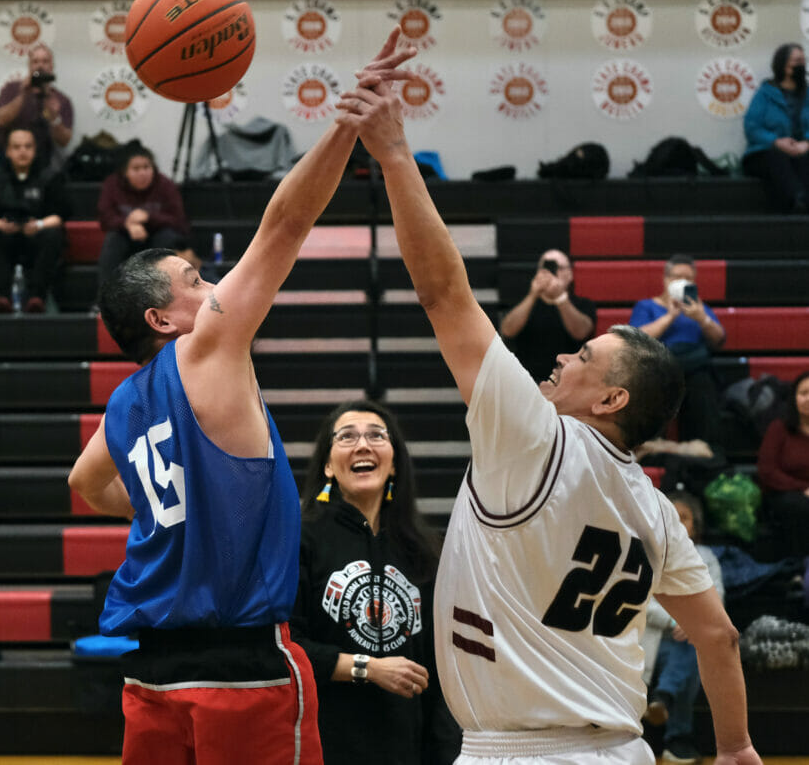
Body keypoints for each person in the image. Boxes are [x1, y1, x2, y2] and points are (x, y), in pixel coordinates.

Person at [335, 76, 762, 765]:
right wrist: (737, 745)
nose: (563, 354)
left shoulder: (535, 436)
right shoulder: (655, 511)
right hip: (622, 748)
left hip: (519, 752)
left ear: (610, 401)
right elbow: (717, 636)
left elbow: (442, 292)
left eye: (585, 355)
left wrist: (393, 155)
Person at [66, 28, 415, 765]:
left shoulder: (127, 404)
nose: (213, 286)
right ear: (162, 319)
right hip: (241, 668)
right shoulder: (207, 348)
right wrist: (346, 125)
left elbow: (85, 485)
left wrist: (181, 503)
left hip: (150, 672)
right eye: (194, 280)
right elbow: (285, 224)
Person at [291, 398, 461, 765]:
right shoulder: (300, 538)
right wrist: (366, 668)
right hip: (325, 746)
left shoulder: (424, 550)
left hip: (406, 748)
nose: (363, 444)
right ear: (328, 465)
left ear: (395, 463)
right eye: (347, 437)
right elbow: (286, 647)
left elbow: (440, 671)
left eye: (376, 435)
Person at [642, 491, 725, 765]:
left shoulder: (706, 556)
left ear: (695, 526)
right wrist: (679, 621)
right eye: (672, 517)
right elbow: (642, 601)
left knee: (692, 648)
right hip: (651, 639)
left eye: (685, 518)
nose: (678, 523)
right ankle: (679, 739)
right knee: (691, 644)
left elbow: (717, 598)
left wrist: (692, 626)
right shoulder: (645, 552)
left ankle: (664, 699)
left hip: (689, 638)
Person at [629, 254, 725, 449]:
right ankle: (652, 455)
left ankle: (703, 457)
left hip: (694, 369)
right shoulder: (647, 306)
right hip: (658, 369)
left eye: (688, 278)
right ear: (665, 279)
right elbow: (637, 337)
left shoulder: (699, 309)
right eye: (676, 277)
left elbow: (719, 339)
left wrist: (702, 318)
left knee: (703, 392)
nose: (682, 282)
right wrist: (671, 315)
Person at [0, 126, 69, 313]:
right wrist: (0, 225)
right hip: (6, 234)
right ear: (8, 151)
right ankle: (3, 295)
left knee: (53, 235)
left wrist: (39, 225)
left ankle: (37, 296)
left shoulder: (50, 177)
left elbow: (59, 215)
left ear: (35, 150)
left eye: (28, 146)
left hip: (37, 234)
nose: (22, 151)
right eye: (17, 147)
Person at [97, 145, 190, 288]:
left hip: (158, 235)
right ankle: (104, 300)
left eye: (146, 167)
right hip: (125, 235)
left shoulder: (165, 184)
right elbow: (105, 218)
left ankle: (164, 296)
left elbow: (178, 220)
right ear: (125, 172)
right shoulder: (112, 185)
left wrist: (149, 217)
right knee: (113, 240)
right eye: (136, 169)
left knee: (168, 238)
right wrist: (128, 223)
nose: (142, 173)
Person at [499, 250, 596, 383]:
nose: (552, 273)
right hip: (529, 382)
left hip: (571, 382)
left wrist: (560, 298)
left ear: (570, 274)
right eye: (546, 268)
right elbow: (507, 330)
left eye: (559, 268)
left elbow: (581, 332)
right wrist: (533, 294)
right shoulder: (524, 304)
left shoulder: (584, 304)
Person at [742, 43, 809, 213]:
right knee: (778, 157)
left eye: (803, 60)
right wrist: (776, 142)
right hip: (765, 153)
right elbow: (752, 127)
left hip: (801, 151)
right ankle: (799, 197)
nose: (801, 64)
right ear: (784, 65)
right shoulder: (764, 93)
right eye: (797, 61)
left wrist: (806, 144)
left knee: (803, 159)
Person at [0, 43, 73, 172]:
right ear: (29, 66)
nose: (40, 65)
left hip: (40, 154)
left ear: (52, 66)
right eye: (35, 61)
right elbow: (2, 120)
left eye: (45, 61)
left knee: (58, 177)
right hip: (3, 150)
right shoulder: (12, 89)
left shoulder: (61, 100)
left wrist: (54, 118)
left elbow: (64, 141)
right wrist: (22, 94)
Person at [756, 369, 809, 558]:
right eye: (803, 393)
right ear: (794, 398)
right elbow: (767, 471)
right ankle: (800, 567)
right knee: (799, 507)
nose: (808, 399)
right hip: (783, 495)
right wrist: (803, 488)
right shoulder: (779, 428)